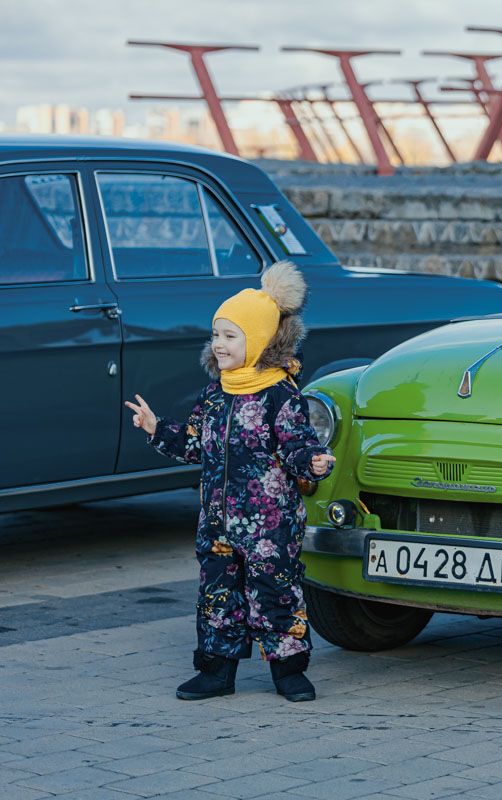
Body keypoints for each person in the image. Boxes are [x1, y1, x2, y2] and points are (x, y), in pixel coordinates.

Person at [125, 260, 336, 702]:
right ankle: (216, 672)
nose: (219, 345)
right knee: (218, 593)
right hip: (218, 522)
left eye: (230, 336)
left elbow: (297, 443)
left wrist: (312, 462)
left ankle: (289, 671)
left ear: (257, 339)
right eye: (216, 335)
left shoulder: (281, 393)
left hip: (269, 526)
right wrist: (155, 427)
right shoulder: (217, 393)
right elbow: (194, 444)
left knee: (275, 590)